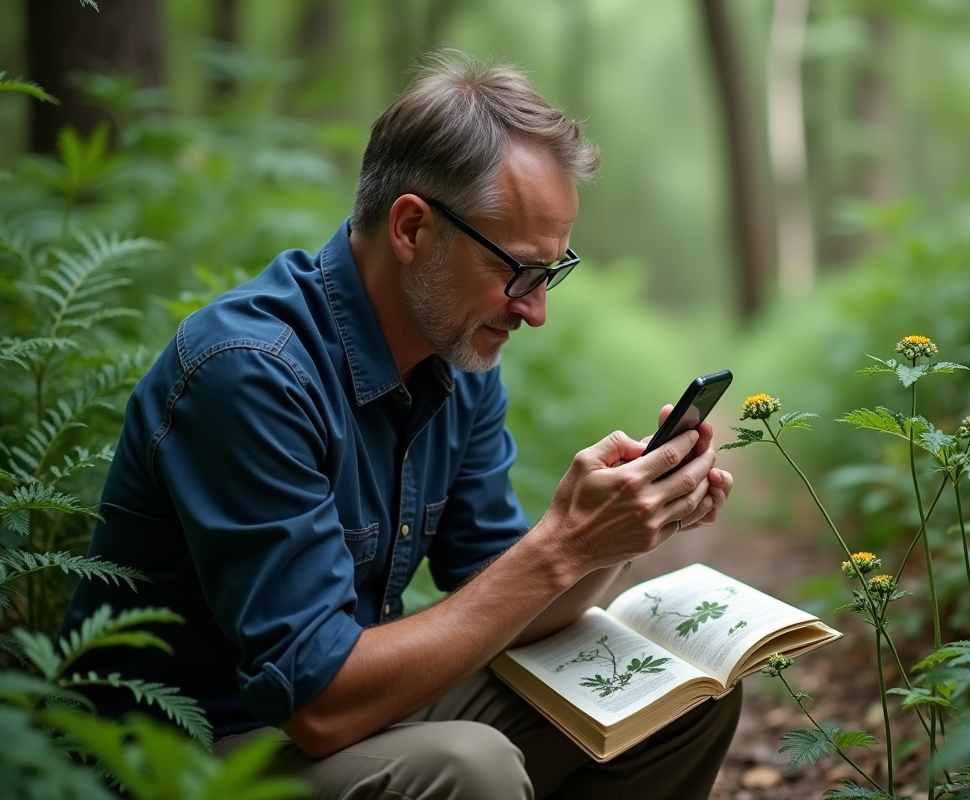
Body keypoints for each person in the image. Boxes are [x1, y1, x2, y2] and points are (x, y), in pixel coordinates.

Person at [64, 51, 739, 800]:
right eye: (517, 271)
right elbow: (318, 702)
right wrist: (560, 546)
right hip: (181, 753)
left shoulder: (457, 358)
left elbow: (500, 603)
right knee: (468, 767)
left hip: (336, 718)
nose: (535, 309)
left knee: (671, 703)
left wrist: (615, 535)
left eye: (551, 274)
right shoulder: (249, 372)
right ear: (413, 228)